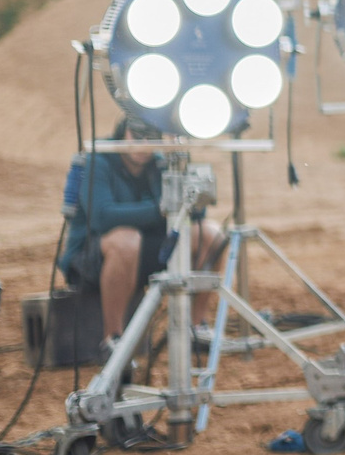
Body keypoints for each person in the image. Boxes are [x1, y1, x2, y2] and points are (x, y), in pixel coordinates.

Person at [59, 120, 226, 339]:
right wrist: (162, 209)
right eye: (137, 136)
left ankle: (195, 327)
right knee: (127, 240)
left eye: (151, 138)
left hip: (148, 251)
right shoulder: (97, 160)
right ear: (122, 134)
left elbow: (193, 215)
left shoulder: (159, 164)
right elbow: (102, 217)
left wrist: (184, 177)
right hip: (90, 259)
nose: (144, 145)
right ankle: (113, 340)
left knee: (210, 235)